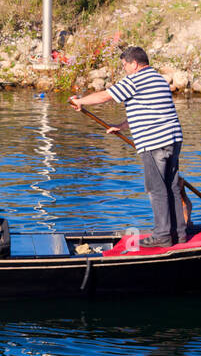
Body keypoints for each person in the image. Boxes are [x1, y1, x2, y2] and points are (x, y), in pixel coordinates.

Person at [68, 46, 187, 248]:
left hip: (154, 143)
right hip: (173, 139)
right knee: (172, 186)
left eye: (124, 65)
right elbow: (148, 110)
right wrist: (120, 126)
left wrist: (81, 101)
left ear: (134, 63)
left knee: (156, 189)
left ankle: (162, 236)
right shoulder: (158, 79)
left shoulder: (135, 79)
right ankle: (179, 234)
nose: (124, 70)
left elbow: (107, 95)